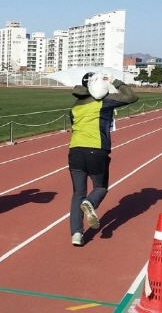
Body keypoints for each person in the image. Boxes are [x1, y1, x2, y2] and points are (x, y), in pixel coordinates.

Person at [68, 72, 139, 246]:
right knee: (100, 187)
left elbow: (73, 124)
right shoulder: (103, 102)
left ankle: (76, 234)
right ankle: (90, 202)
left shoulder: (75, 107)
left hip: (75, 150)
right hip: (96, 149)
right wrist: (115, 81)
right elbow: (131, 97)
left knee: (77, 193)